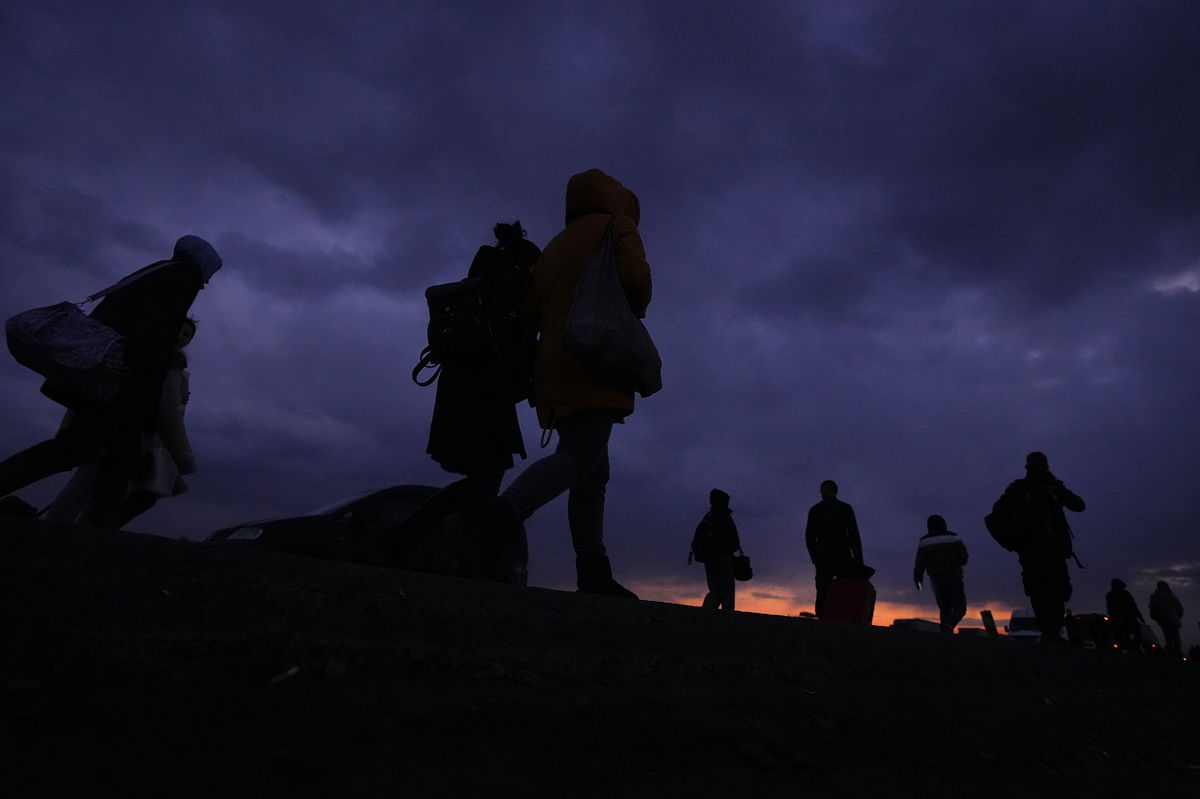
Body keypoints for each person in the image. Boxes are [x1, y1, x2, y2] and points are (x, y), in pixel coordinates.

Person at [466, 168, 653, 598]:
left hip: (553, 359)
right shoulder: (615, 226)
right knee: (582, 457)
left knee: (593, 472)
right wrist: (634, 311)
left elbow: (530, 309)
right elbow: (636, 280)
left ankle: (593, 569)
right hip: (595, 353)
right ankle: (500, 517)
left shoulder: (553, 245)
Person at [0, 236, 221, 527]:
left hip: (112, 384)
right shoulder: (183, 277)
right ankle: (96, 537)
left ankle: (97, 535)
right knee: (87, 454)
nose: (207, 281)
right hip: (124, 389)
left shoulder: (157, 271)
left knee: (112, 459)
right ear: (203, 261)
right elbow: (153, 330)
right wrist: (134, 368)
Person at [387, 222, 541, 582]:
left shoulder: (479, 286)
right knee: (485, 481)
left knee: (482, 481)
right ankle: (422, 544)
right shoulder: (509, 288)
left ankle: (405, 539)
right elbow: (517, 349)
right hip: (487, 397)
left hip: (462, 394)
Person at [44, 318, 199, 528]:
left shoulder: (178, 370)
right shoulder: (143, 354)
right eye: (179, 331)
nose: (181, 337)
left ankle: (84, 532)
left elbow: (171, 412)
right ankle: (63, 531)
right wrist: (182, 456)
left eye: (187, 335)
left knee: (138, 493)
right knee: (89, 487)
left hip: (147, 442)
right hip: (116, 430)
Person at [991, 451, 1085, 643]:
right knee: (1047, 589)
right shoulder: (1023, 488)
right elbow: (997, 513)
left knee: (1048, 590)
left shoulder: (1034, 487)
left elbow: (1078, 505)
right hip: (1039, 549)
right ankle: (1050, 632)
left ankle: (1050, 631)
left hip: (1041, 550)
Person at [805, 479, 864, 618]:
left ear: (822, 491)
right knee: (844, 588)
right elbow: (855, 536)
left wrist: (815, 557)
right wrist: (858, 559)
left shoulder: (815, 510)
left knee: (823, 590)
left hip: (823, 558)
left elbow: (809, 538)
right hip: (843, 556)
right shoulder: (846, 508)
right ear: (836, 491)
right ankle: (842, 617)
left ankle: (822, 617)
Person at [912, 514, 969, 633]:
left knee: (944, 607)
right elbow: (964, 557)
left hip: (935, 577)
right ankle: (948, 625)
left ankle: (945, 634)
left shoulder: (924, 541)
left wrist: (918, 579)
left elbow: (919, 564)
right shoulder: (953, 537)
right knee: (960, 608)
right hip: (954, 576)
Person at [693, 488, 741, 611]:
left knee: (715, 591)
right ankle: (727, 620)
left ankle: (705, 616)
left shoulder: (708, 517)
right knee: (727, 592)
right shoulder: (724, 517)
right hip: (723, 557)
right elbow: (734, 539)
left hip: (709, 558)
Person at [1105, 578, 1145, 653]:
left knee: (1124, 634)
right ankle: (1134, 648)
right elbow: (1133, 605)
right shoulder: (1125, 593)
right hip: (1128, 617)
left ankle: (1129, 648)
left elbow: (1110, 608)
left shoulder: (1110, 595)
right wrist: (1140, 616)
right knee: (1135, 634)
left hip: (1121, 618)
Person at [1148, 580, 1185, 658]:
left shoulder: (1155, 595)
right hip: (1173, 617)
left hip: (1162, 618)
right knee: (1175, 636)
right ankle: (1178, 653)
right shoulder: (1171, 595)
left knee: (1167, 636)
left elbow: (1151, 606)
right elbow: (1180, 608)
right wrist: (1178, 615)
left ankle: (1171, 653)